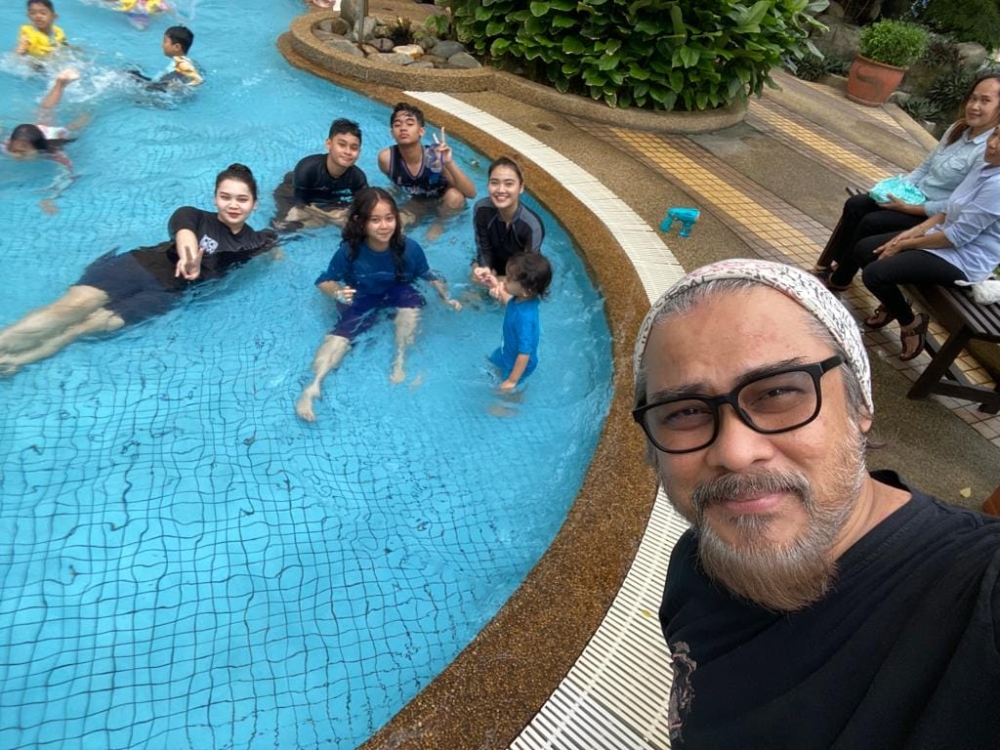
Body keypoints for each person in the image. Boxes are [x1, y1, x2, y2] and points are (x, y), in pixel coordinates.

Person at [631, 258, 1000, 749]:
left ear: (861, 404)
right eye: (686, 412)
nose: (736, 453)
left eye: (780, 392)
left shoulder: (976, 595)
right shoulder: (696, 561)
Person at [0, 164, 277, 373]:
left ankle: (19, 360)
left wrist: (276, 255)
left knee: (87, 327)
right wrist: (189, 257)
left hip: (167, 293)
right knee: (71, 308)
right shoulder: (191, 214)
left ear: (255, 204)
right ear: (215, 197)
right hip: (138, 265)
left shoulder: (253, 242)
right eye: (225, 197)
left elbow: (276, 244)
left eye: (242, 199)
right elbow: (184, 234)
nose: (233, 205)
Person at [815, 74, 1000, 287]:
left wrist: (909, 208)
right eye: (973, 98)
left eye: (985, 101)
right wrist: (900, 189)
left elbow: (951, 206)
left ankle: (840, 278)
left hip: (929, 214)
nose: (974, 106)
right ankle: (834, 265)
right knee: (857, 204)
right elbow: (925, 167)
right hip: (912, 199)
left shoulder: (989, 152)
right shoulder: (958, 129)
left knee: (872, 221)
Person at [834, 124, 1000, 361]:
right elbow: (950, 207)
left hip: (963, 259)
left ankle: (910, 322)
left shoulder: (997, 186)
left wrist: (904, 244)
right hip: (941, 236)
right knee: (864, 250)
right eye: (995, 134)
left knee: (875, 273)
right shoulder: (986, 166)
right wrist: (916, 230)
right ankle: (893, 305)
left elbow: (957, 238)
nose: (992, 143)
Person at [295, 187, 462, 422]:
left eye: (389, 218)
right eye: (375, 220)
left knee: (411, 302)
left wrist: (446, 297)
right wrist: (339, 292)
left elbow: (428, 275)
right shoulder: (349, 252)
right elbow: (324, 281)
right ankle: (313, 386)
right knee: (343, 334)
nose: (384, 226)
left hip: (397, 290)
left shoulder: (409, 248)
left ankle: (400, 360)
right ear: (360, 222)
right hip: (363, 294)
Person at [376, 102, 476, 229]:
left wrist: (448, 162)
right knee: (396, 225)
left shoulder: (435, 157)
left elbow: (471, 193)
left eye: (410, 124)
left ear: (421, 131)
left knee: (455, 196)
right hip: (419, 201)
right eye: (397, 124)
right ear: (392, 133)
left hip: (445, 202)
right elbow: (398, 183)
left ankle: (440, 224)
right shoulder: (387, 159)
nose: (403, 128)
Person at [3, 67, 85, 214]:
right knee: (44, 111)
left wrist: (51, 198)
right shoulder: (7, 145)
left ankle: (84, 109)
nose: (16, 156)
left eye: (22, 153)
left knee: (74, 125)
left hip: (49, 134)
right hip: (26, 133)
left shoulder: (53, 154)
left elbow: (67, 176)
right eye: (13, 151)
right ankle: (60, 83)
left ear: (38, 149)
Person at [271, 118, 368, 231]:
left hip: (328, 200)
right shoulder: (307, 169)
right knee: (289, 220)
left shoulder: (358, 178)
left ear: (359, 153)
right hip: (291, 192)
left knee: (355, 225)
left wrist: (346, 213)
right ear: (329, 144)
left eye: (354, 148)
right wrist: (330, 217)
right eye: (342, 145)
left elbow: (364, 206)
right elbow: (299, 202)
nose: (347, 152)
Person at [470, 157, 545, 289]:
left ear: (521, 187)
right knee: (475, 283)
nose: (500, 190)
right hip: (493, 265)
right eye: (494, 183)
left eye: (509, 184)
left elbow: (530, 272)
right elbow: (483, 248)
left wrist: (501, 281)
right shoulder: (482, 210)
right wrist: (486, 268)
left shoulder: (532, 225)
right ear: (488, 184)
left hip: (518, 273)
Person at [482, 252, 552, 392]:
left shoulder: (525, 319)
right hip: (506, 353)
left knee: (504, 393)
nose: (504, 281)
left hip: (518, 365)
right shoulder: (521, 299)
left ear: (526, 291)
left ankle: (514, 401)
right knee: (491, 366)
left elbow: (525, 352)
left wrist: (511, 381)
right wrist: (496, 285)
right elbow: (510, 304)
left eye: (509, 279)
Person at [128, 25, 202, 90]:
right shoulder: (190, 63)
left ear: (177, 47)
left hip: (160, 94)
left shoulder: (179, 66)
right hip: (162, 87)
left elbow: (165, 86)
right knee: (133, 73)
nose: (162, 45)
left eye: (165, 41)